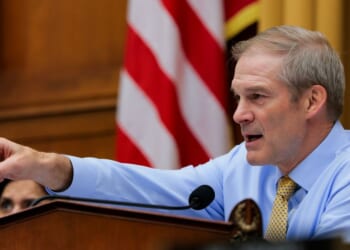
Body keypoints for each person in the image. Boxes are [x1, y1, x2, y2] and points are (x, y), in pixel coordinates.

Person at [0, 25, 349, 242]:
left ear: (311, 101)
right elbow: (147, 191)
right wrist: (48, 166)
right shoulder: (240, 168)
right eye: (238, 97)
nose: (239, 114)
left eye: (257, 96)